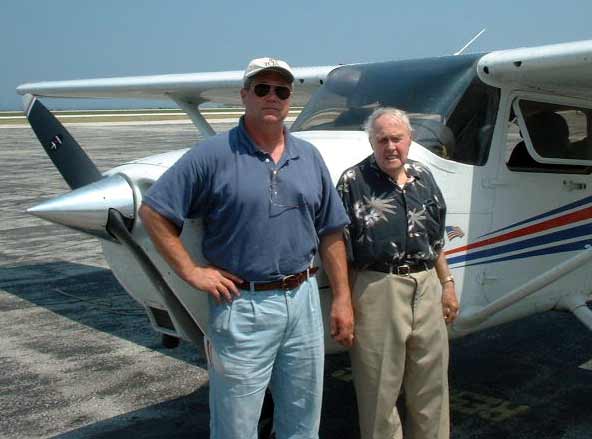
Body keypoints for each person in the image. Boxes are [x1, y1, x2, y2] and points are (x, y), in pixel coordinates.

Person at [138, 57, 354, 439]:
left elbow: (332, 231)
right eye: (262, 89)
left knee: (303, 421)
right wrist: (191, 271)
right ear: (244, 95)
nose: (272, 96)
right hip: (243, 307)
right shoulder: (213, 155)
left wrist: (341, 299)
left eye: (281, 90)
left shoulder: (309, 156)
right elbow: (154, 210)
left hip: (303, 301)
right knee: (236, 426)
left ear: (289, 100)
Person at [336, 107, 459, 439]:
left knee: (432, 388)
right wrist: (344, 303)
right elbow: (340, 251)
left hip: (426, 286)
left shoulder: (424, 177)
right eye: (382, 140)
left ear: (410, 140)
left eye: (397, 139)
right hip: (378, 287)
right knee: (379, 392)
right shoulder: (353, 182)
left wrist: (447, 284)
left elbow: (436, 240)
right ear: (372, 142)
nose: (391, 146)